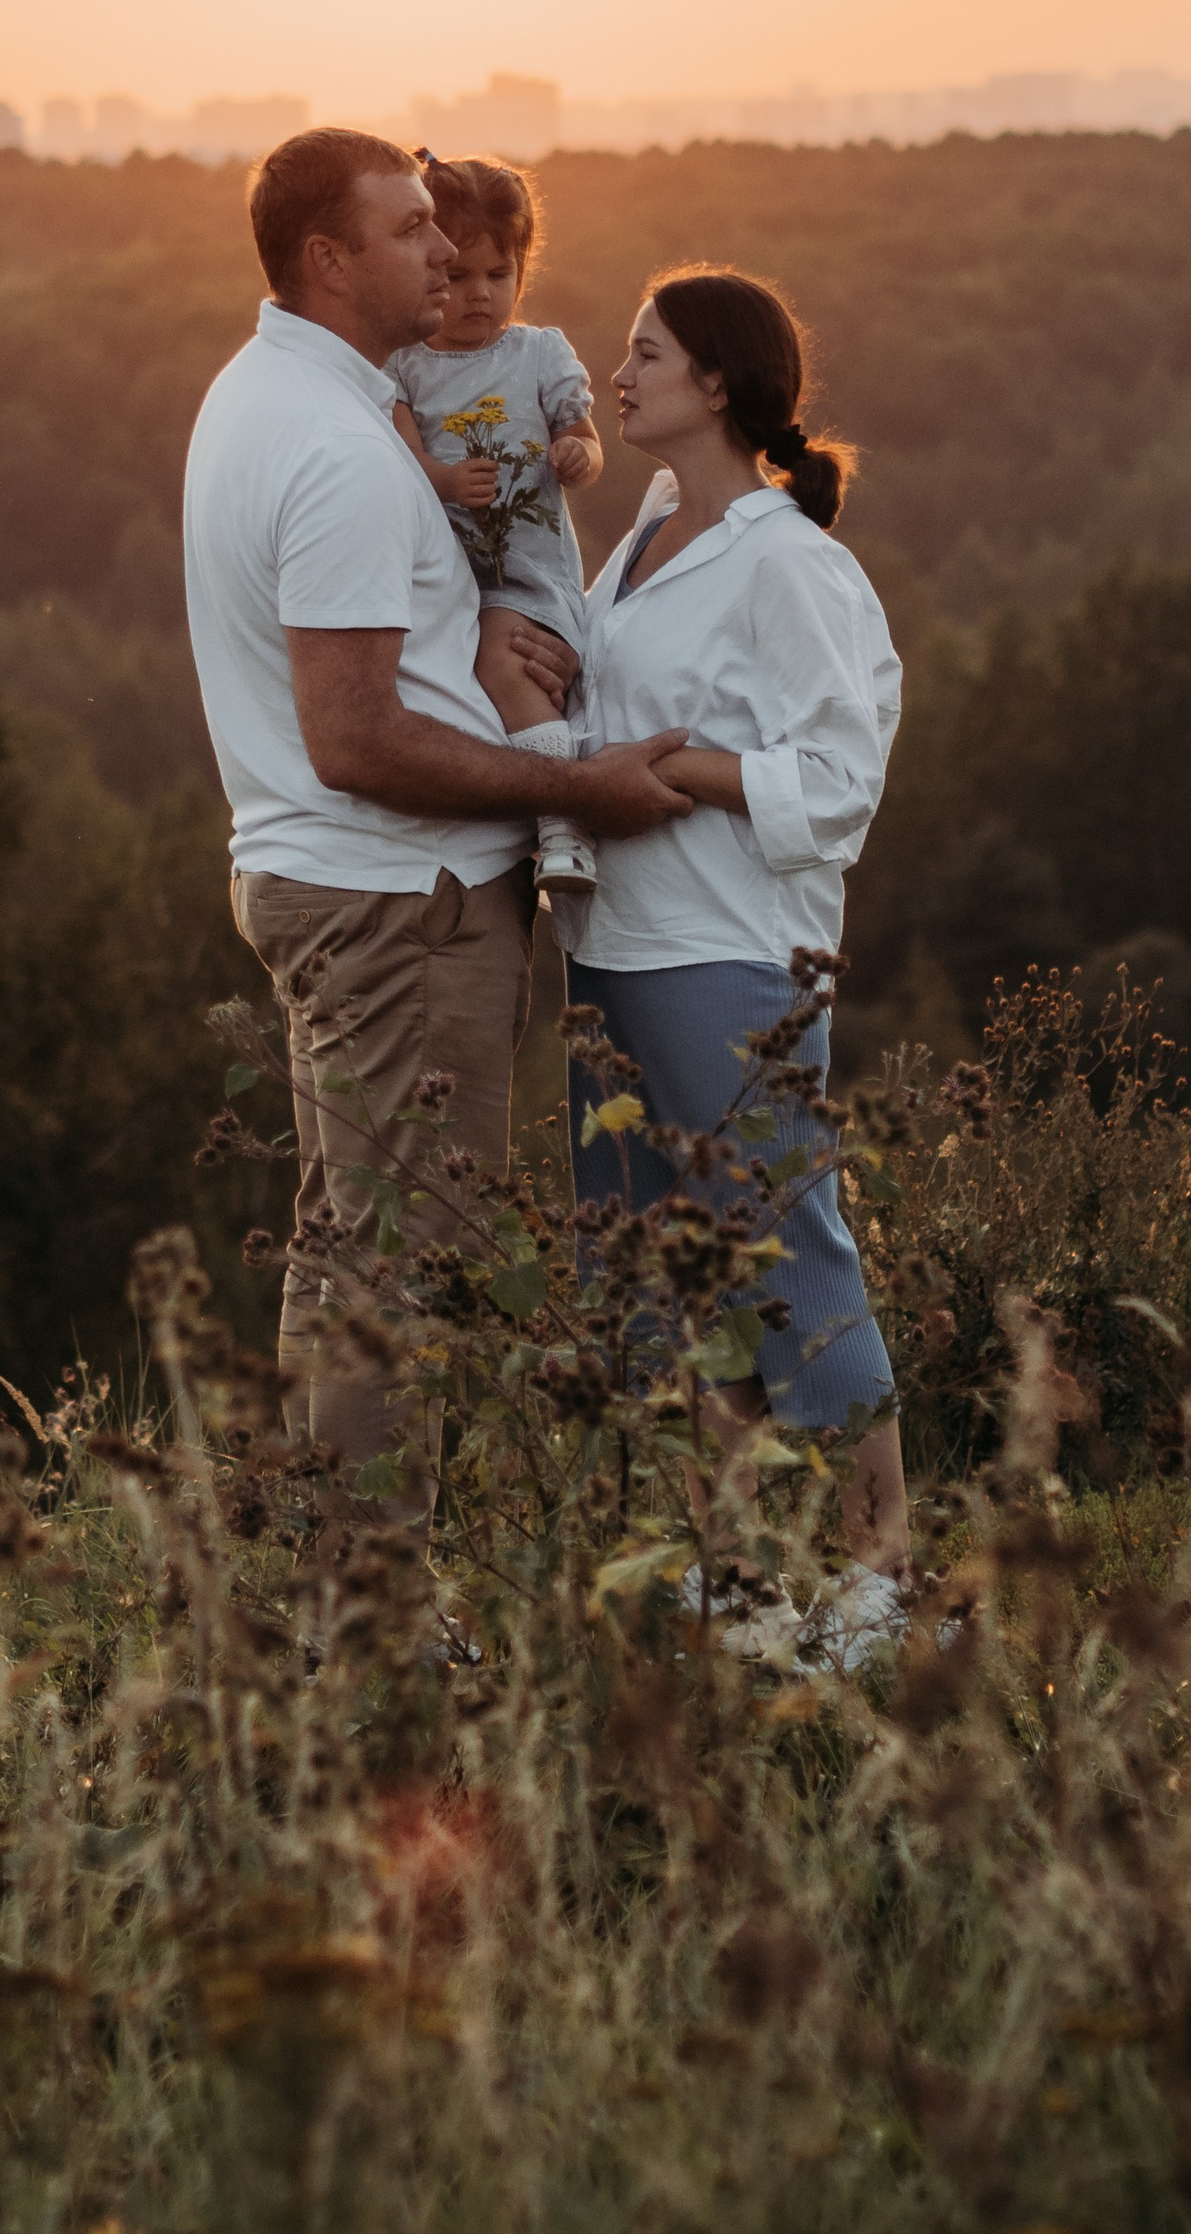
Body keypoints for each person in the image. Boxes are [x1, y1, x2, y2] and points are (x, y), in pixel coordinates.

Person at [181, 128, 694, 1516]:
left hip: (348, 889)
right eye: (409, 233)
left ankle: (334, 1581)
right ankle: (377, 1623)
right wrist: (576, 784)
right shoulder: (339, 449)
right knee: (409, 1260)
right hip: (401, 907)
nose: (444, 254)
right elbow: (355, 734)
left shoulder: (267, 396)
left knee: (354, 1243)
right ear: (326, 260)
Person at [555, 264, 908, 1662]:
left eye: (644, 354)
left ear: (717, 384)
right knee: (662, 1273)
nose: (617, 374)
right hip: (611, 943)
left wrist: (674, 773)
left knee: (787, 1252)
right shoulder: (639, 535)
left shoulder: (785, 562)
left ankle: (885, 1585)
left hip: (729, 950)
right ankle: (734, 1581)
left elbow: (840, 777)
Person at [386, 153, 605, 901]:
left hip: (524, 573)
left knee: (505, 664)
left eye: (499, 274)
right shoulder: (407, 367)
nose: (479, 294)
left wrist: (578, 453)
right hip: (450, 581)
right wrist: (446, 479)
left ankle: (564, 821)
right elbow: (404, 458)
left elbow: (585, 436)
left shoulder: (538, 353)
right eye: (460, 275)